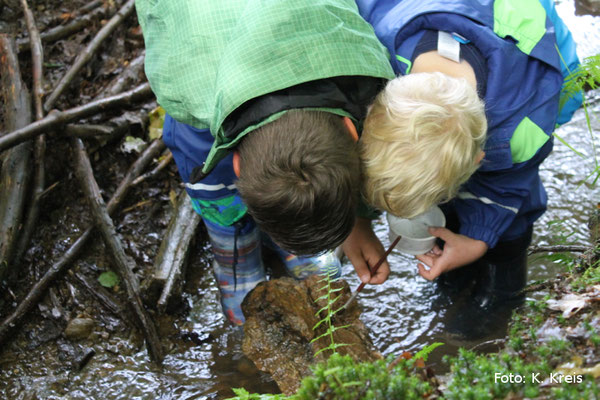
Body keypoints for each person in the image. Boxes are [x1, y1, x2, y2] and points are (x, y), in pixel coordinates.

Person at [135, 0, 394, 325]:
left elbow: (365, 161)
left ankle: (289, 237)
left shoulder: (366, 75)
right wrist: (222, 209)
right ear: (350, 130)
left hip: (304, 32)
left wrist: (360, 222)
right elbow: (195, 163)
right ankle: (237, 253)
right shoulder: (191, 101)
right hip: (198, 38)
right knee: (220, 201)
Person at [343, 0, 583, 337]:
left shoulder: (522, 128)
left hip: (535, 51)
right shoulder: (377, 49)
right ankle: (455, 272)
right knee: (443, 183)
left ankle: (501, 293)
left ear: (477, 161)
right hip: (434, 13)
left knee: (512, 206)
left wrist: (480, 241)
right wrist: (358, 220)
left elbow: (510, 183)